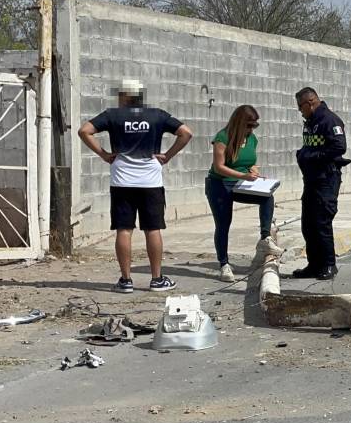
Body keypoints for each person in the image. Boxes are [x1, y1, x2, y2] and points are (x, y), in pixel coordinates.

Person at [78, 79, 193, 293]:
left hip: (122, 181)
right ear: (140, 96)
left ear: (124, 96)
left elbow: (84, 130)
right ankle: (157, 279)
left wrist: (103, 154)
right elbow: (186, 132)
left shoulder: (112, 115)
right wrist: (167, 156)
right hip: (151, 181)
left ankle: (126, 280)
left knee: (124, 229)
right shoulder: (157, 115)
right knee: (153, 229)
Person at [205, 105, 275, 282]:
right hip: (220, 184)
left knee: (267, 196)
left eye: (254, 126)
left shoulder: (252, 139)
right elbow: (219, 167)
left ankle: (265, 238)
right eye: (249, 126)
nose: (251, 130)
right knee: (223, 224)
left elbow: (249, 161)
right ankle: (224, 264)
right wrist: (243, 175)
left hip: (241, 183)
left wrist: (252, 169)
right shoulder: (222, 137)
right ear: (239, 123)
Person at [293, 87, 349, 279]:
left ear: (310, 103)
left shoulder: (329, 120)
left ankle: (329, 264)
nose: (300, 111)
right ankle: (314, 264)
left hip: (326, 179)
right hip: (311, 180)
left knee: (321, 222)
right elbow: (311, 145)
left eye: (301, 107)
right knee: (308, 224)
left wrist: (313, 156)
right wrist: (303, 154)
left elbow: (339, 146)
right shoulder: (311, 122)